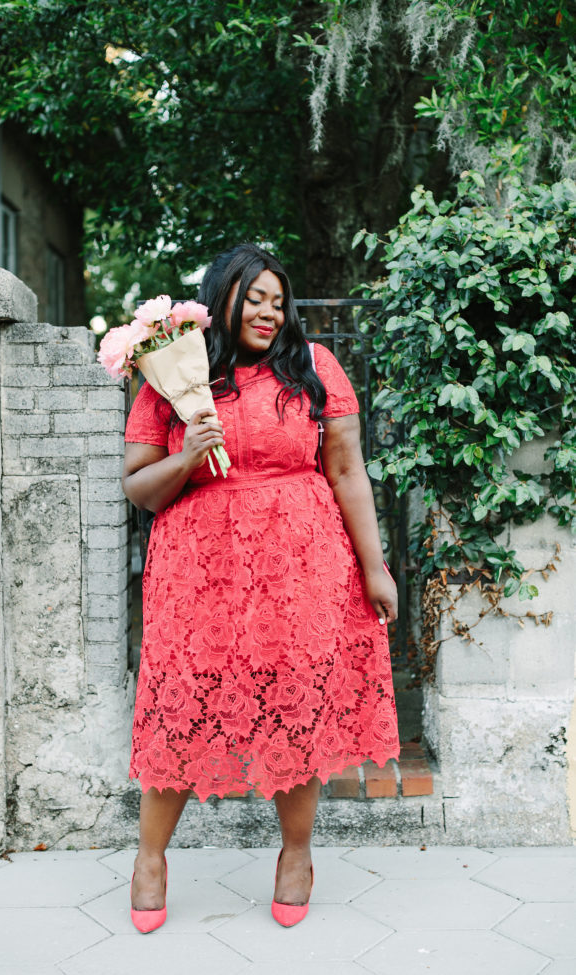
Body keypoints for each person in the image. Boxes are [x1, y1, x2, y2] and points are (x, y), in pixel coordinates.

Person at [121, 242, 399, 933]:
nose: (270, 312)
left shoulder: (315, 370)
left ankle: (296, 854)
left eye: (279, 300)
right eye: (255, 297)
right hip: (197, 566)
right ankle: (151, 856)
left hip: (301, 562)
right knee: (181, 703)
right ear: (222, 298)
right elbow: (139, 488)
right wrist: (187, 453)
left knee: (296, 703)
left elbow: (346, 472)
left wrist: (374, 565)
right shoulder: (172, 371)